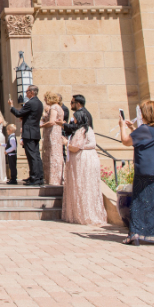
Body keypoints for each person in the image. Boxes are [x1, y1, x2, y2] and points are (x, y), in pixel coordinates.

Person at [119, 100, 154, 246]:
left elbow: (126, 141)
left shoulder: (144, 129)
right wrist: (133, 128)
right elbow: (147, 139)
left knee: (140, 201)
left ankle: (135, 233)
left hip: (146, 169)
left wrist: (122, 127)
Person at [61, 97, 106, 226]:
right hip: (86, 158)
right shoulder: (86, 130)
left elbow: (76, 147)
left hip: (83, 160)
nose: (73, 120)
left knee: (82, 185)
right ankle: (84, 212)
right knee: (84, 186)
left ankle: (84, 213)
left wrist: (65, 143)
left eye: (74, 118)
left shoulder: (82, 131)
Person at [9, 85, 44, 186]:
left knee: (32, 156)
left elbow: (19, 114)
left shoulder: (31, 103)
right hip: (35, 132)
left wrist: (11, 106)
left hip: (29, 133)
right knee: (36, 155)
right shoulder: (39, 103)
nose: (25, 93)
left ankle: (35, 178)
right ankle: (38, 176)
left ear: (32, 92)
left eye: (27, 91)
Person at [40, 92, 65, 185]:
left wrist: (41, 125)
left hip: (52, 132)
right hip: (55, 131)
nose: (45, 100)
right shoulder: (59, 107)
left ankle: (53, 178)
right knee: (54, 153)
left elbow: (52, 122)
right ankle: (53, 177)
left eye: (46, 98)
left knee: (53, 154)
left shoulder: (54, 107)